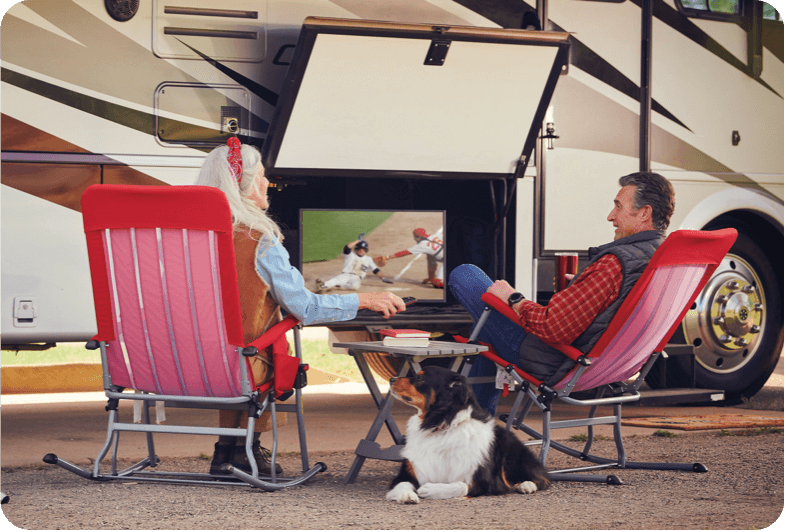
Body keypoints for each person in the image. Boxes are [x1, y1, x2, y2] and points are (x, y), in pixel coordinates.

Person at [196, 138, 406, 476]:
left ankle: (228, 450)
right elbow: (304, 307)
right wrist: (364, 299)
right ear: (245, 187)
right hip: (235, 367)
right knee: (256, 350)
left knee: (233, 345)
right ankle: (244, 449)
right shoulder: (257, 239)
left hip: (173, 364)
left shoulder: (184, 237)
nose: (268, 183)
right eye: (261, 176)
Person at [449, 172, 675, 414]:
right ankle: (477, 423)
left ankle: (475, 423)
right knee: (484, 326)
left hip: (556, 362)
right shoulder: (665, 259)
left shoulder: (614, 264)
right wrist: (582, 287)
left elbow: (552, 328)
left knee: (466, 275)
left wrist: (513, 298)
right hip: (611, 366)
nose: (611, 216)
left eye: (618, 207)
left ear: (644, 213)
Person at [317, 237, 390, 292]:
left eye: (363, 249)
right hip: (346, 274)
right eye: (360, 249)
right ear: (356, 249)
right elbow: (347, 247)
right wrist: (358, 240)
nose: (362, 250)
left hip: (356, 278)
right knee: (336, 279)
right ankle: (322, 285)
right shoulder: (350, 255)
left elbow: (376, 270)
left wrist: (382, 278)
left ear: (366, 250)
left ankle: (337, 286)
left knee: (355, 286)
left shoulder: (368, 259)